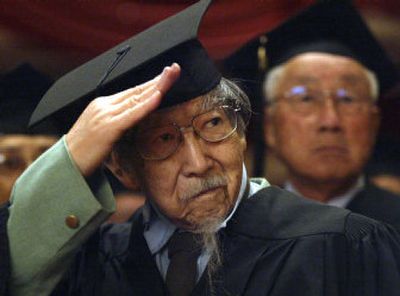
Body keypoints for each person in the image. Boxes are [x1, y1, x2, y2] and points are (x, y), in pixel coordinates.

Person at [5, 1, 400, 295]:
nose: (198, 163)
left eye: (213, 125)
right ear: (123, 170)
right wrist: (71, 156)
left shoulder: (341, 244)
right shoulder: (91, 265)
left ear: (242, 132)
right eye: (163, 140)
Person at [226, 0, 400, 230]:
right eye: (306, 98)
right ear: (269, 126)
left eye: (347, 98)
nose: (330, 121)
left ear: (374, 122)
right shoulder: (237, 229)